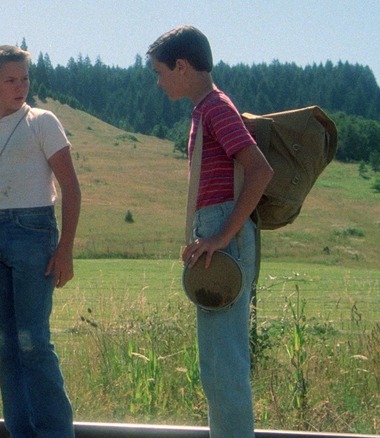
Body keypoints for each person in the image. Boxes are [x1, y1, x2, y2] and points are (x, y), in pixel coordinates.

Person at [147, 26, 274, 437]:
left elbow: (260, 171)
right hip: (220, 231)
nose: (158, 79)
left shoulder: (215, 108)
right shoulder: (206, 108)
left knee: (223, 367)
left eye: (161, 70)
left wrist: (220, 237)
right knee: (218, 365)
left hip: (226, 235)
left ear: (182, 66)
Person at [0, 45, 81, 438]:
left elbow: (71, 189)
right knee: (2, 343)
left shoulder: (42, 122)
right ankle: (21, 432)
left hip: (35, 232)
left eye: (25, 78)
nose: (20, 86)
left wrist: (66, 249)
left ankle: (57, 434)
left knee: (33, 342)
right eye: (10, 80)